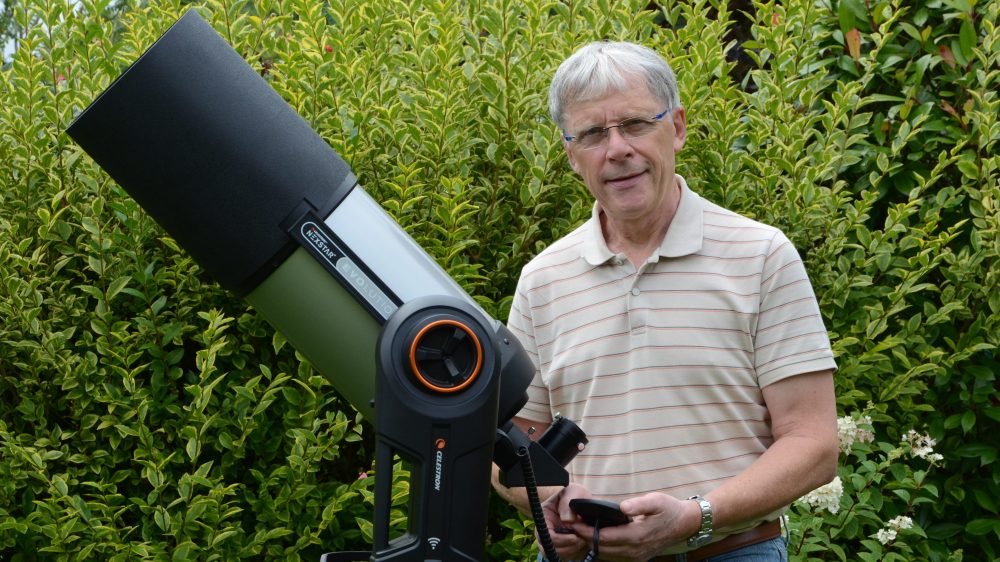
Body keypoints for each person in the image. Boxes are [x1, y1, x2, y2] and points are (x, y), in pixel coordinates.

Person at [492, 41, 839, 561]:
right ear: (570, 155)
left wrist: (695, 518)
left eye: (634, 124)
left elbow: (813, 444)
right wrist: (549, 500)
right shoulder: (543, 279)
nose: (617, 150)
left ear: (675, 127)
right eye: (591, 134)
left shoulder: (762, 255)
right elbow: (510, 452)